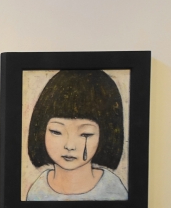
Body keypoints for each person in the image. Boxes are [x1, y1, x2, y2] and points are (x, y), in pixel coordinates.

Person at [25, 69, 129, 201]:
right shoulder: (38, 190)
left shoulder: (113, 191)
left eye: (85, 134)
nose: (69, 146)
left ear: (105, 135)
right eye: (56, 131)